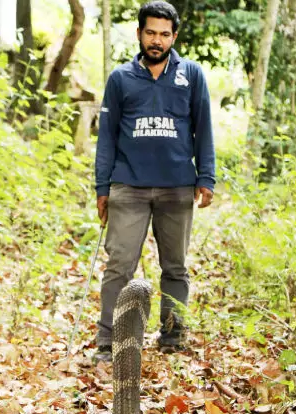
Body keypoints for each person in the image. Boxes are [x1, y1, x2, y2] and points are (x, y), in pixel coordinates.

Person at [92, 1, 216, 362]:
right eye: (150, 33)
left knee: (175, 266)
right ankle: (108, 341)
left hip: (177, 186)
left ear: (174, 36)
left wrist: (206, 177)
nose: (156, 40)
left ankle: (173, 336)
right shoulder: (120, 78)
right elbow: (107, 137)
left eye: (164, 34)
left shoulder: (191, 75)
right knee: (119, 265)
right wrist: (102, 188)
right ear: (139, 33)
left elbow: (204, 128)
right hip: (127, 185)